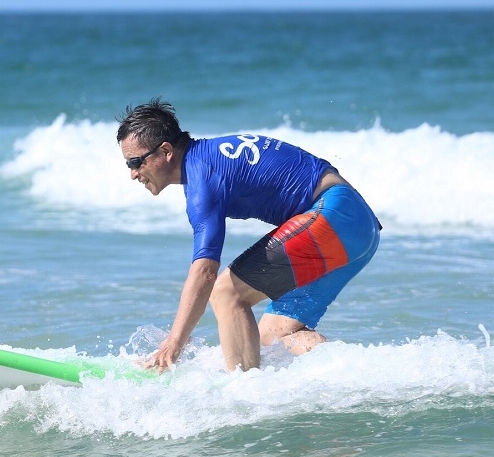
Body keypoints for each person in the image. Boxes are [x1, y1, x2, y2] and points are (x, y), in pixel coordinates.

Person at [116, 99, 380, 372]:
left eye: (136, 162)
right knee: (274, 337)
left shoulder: (202, 179)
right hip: (360, 226)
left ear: (166, 151)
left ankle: (242, 389)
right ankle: (359, 373)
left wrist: (173, 344)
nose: (133, 174)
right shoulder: (209, 157)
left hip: (335, 215)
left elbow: (205, 272)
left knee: (226, 293)